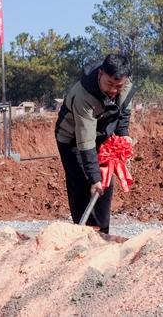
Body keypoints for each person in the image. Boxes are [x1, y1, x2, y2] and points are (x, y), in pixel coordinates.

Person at [55, 54, 136, 234]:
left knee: (105, 182)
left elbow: (124, 110)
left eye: (118, 86)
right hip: (72, 139)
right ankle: (82, 233)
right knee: (84, 182)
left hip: (100, 133)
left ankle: (102, 233)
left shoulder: (125, 84)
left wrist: (123, 133)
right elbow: (85, 141)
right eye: (109, 84)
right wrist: (93, 178)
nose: (113, 90)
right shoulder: (83, 96)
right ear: (100, 74)